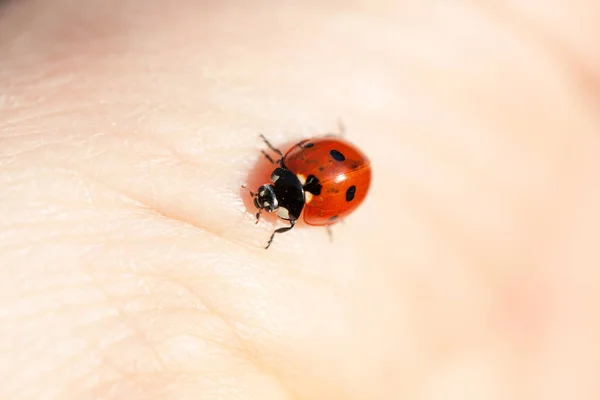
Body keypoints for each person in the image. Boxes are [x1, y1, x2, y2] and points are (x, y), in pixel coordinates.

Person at [1, 0, 599, 398]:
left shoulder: (303, 185)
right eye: (272, 196)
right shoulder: (303, 183)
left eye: (272, 199)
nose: (268, 197)